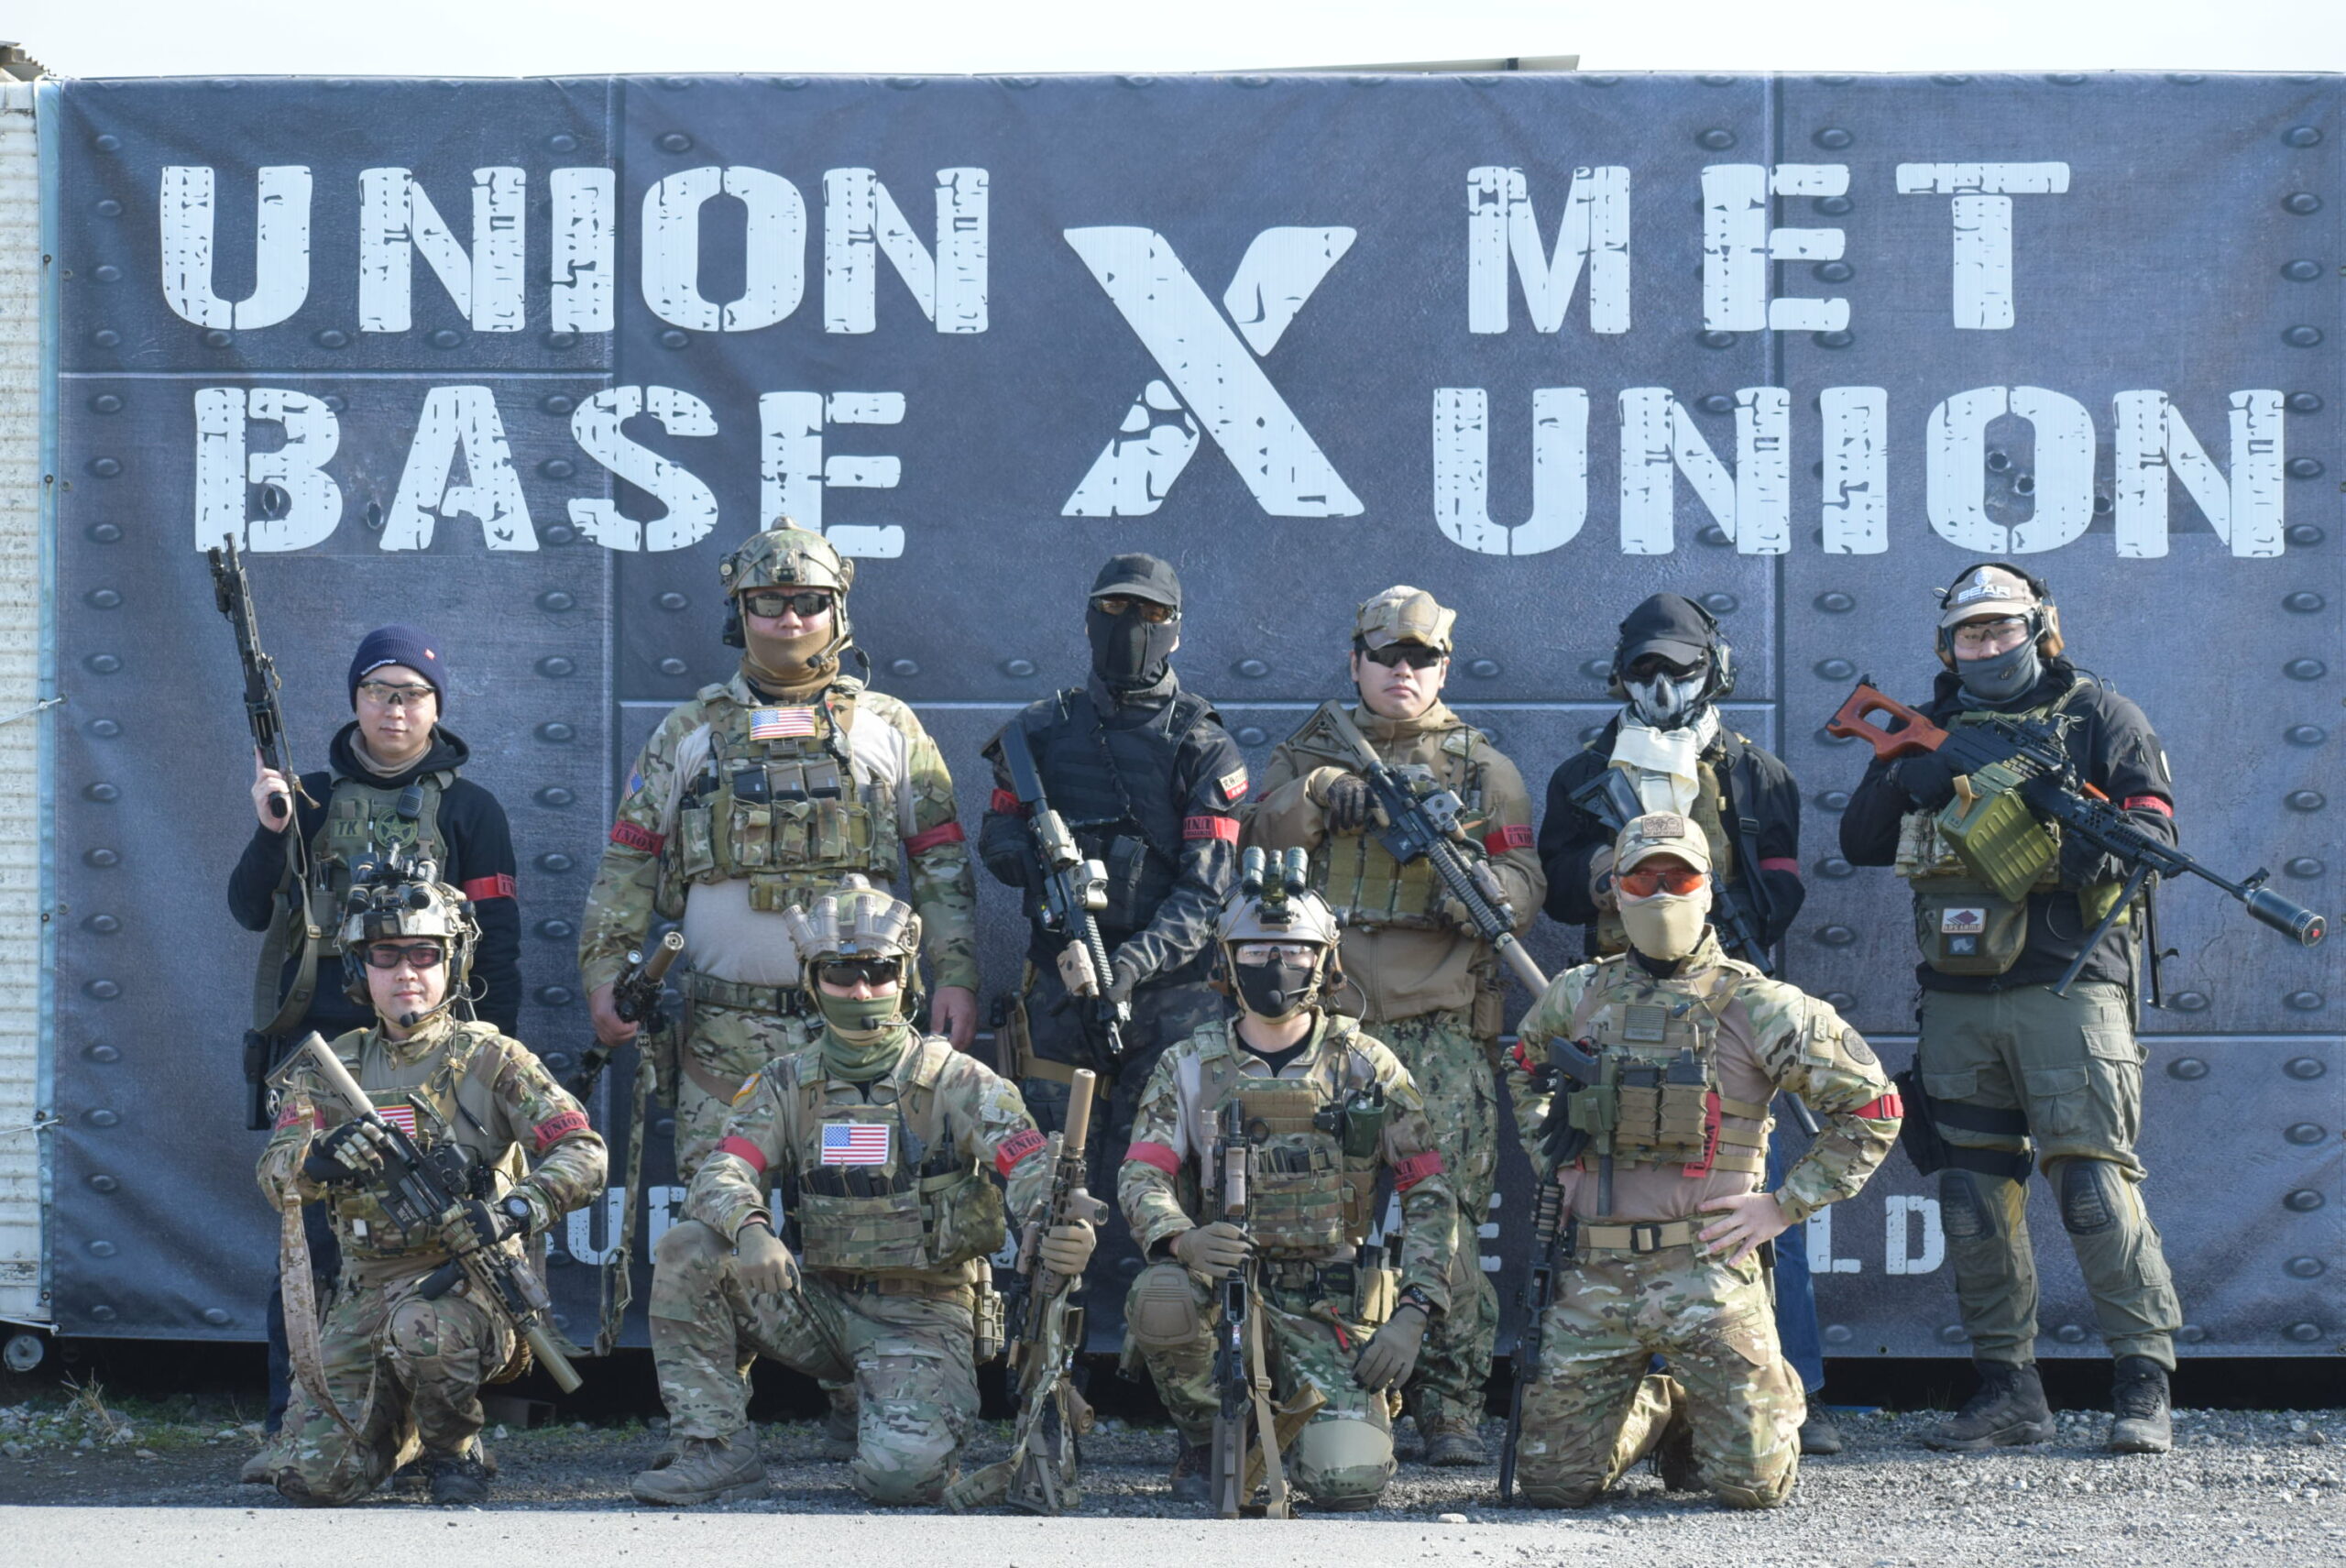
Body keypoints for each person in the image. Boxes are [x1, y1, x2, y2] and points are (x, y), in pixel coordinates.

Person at [1840, 562, 2182, 1455]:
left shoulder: (2101, 716)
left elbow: (2153, 835)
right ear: (1947, 645)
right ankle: (2007, 1391)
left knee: (2093, 1186)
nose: (1987, 644)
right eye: (1971, 632)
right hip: (1958, 997)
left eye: (2002, 627)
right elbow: (1860, 839)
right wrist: (1911, 776)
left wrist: (2056, 831)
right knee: (1971, 1194)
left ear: (2040, 630)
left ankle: (2143, 1382)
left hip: (2070, 986)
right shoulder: (1931, 725)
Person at [628, 877, 1095, 1508]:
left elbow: (1031, 1164)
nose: (862, 990)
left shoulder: (957, 1080)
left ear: (906, 976)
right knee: (690, 1248)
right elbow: (723, 1169)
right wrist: (751, 1228)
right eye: (841, 973)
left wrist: (1060, 1224)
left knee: (902, 1480)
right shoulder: (785, 1082)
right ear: (811, 980)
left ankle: (873, 1407)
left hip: (921, 1313)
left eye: (880, 971)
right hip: (818, 1304)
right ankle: (716, 1449)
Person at [1503, 813, 1901, 1510]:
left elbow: (1873, 1107)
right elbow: (1523, 1067)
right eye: (1642, 879)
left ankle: (1732, 1400)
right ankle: (1662, 1406)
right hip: (1594, 1272)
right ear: (1615, 892)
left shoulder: (1760, 1004)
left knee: (1751, 1487)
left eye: (1679, 878)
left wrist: (1784, 1204)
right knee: (1550, 1486)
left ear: (1708, 889)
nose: (1661, 893)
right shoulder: (1578, 994)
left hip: (1708, 1272)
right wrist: (1552, 1160)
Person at [1243, 585, 1540, 1465]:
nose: (1403, 671)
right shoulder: (1308, 753)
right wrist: (1318, 794)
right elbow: (1251, 847)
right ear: (1356, 662)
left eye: (1422, 657)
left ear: (1444, 667)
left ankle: (1449, 1406)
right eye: (1386, 656)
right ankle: (1308, 1392)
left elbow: (1524, 882)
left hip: (1435, 1030)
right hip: (1320, 1032)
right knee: (1305, 1218)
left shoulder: (1483, 769)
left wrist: (1476, 892)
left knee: (1446, 1221)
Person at [1533, 591, 1830, 1450]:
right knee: (1613, 1199)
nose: (1663, 686)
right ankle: (1626, 1397)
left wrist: (1706, 903)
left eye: (1681, 667)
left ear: (1715, 670)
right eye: (1646, 668)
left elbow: (1783, 888)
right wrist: (1614, 873)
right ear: (1621, 675)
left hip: (1725, 1004)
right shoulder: (1583, 774)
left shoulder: (1754, 773)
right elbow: (1557, 887)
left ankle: (1789, 1391)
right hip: (1616, 1006)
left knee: (1755, 1199)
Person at [228, 624, 523, 1481]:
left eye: (413, 693)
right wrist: (273, 829)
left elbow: (499, 943)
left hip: (436, 1060)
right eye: (379, 691)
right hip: (324, 1058)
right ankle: (295, 1423)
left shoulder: (472, 810)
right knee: (313, 1248)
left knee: (440, 1244)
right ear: (355, 699)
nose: (396, 708)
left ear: (437, 706)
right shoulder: (309, 798)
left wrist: (493, 1065)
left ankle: (444, 1432)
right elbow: (250, 908)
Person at [1119, 857, 1460, 1511]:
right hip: (1224, 1291)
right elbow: (1143, 1173)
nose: (1275, 966)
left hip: (1329, 1305)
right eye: (1256, 951)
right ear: (1227, 960)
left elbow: (1429, 1193)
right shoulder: (1188, 1064)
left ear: (1326, 961)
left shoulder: (1366, 1065)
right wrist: (1182, 1240)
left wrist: (1413, 1314)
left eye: (1295, 951)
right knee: (1162, 1295)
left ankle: (1302, 1428)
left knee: (1346, 1481)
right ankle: (1212, 1437)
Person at [254, 878, 604, 1507]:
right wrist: (318, 1160)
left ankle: (455, 1449)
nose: (406, 972)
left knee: (425, 1329)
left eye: (425, 954)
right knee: (313, 1479)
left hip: (465, 1286)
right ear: (360, 968)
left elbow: (583, 1151)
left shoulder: (492, 1058)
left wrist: (513, 1211)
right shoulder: (333, 1066)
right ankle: (403, 1434)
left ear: (453, 963)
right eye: (385, 955)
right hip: (363, 1290)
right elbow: (275, 1173)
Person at [978, 554, 1244, 1285]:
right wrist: (1038, 870)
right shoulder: (1040, 730)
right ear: (1091, 618)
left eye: (1151, 614)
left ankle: (1159, 1323)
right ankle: (1048, 1324)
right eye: (1117, 609)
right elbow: (997, 833)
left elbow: (1205, 894)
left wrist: (1130, 965)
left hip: (1169, 1001)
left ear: (1176, 630)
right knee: (1050, 1173)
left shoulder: (1202, 743)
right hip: (1059, 988)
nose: (1133, 626)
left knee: (1166, 1177)